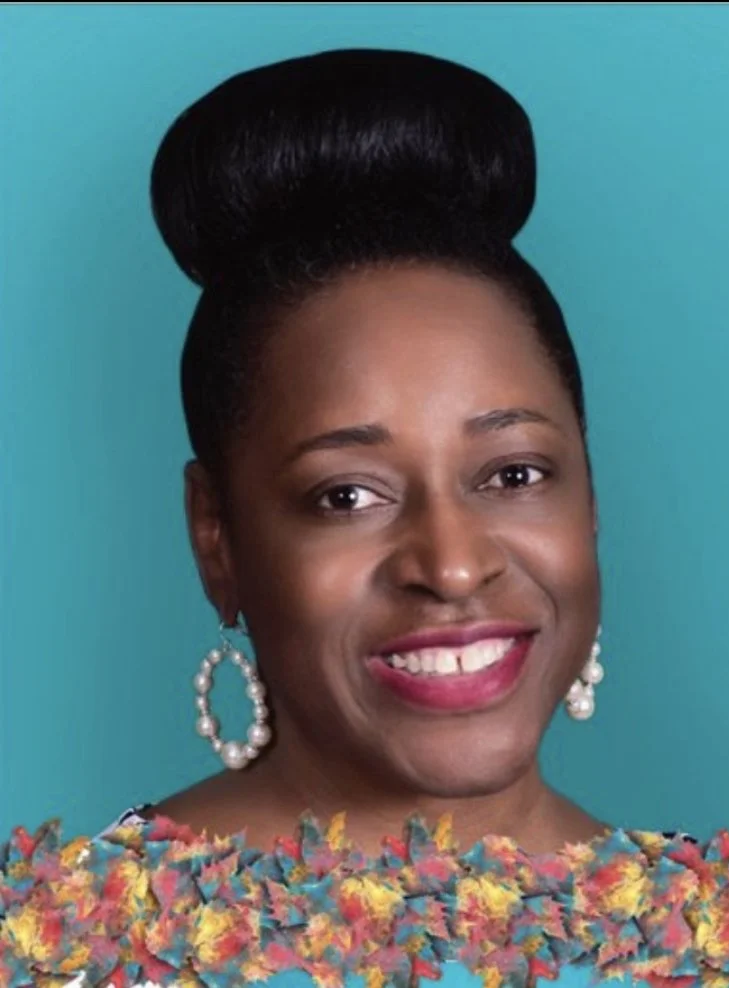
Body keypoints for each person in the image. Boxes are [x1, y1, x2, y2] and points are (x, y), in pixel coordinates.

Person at [117, 46, 625, 859]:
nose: (453, 568)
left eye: (513, 474)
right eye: (346, 495)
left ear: (590, 501)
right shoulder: (59, 952)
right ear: (216, 537)